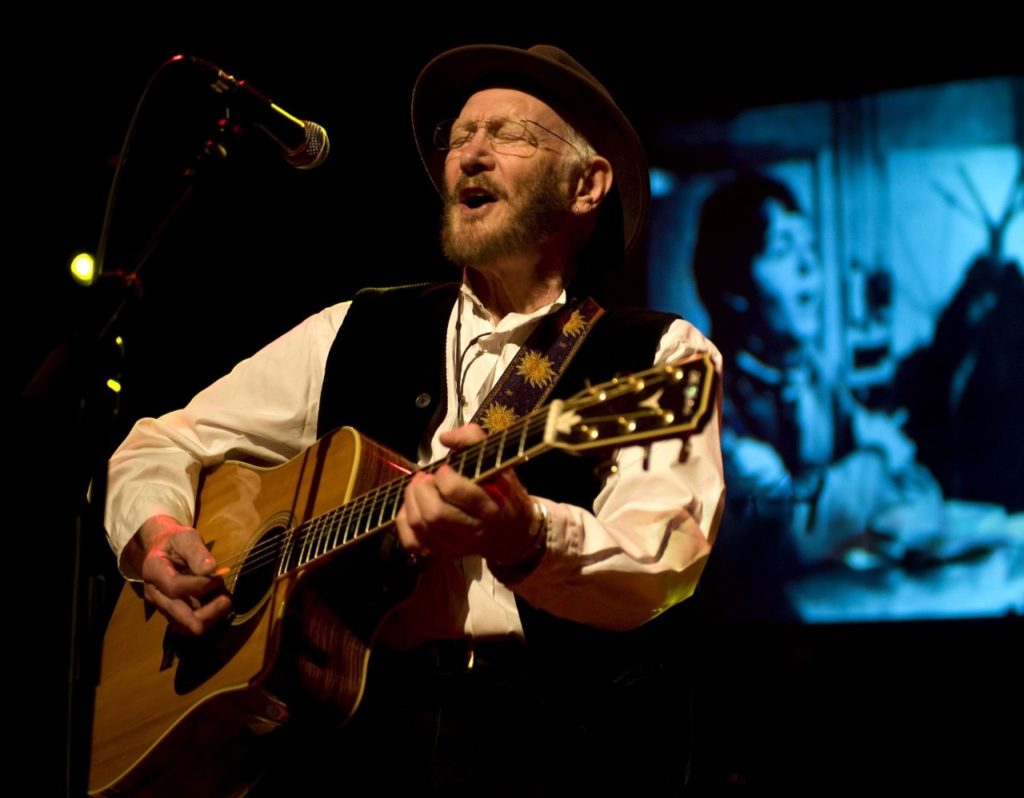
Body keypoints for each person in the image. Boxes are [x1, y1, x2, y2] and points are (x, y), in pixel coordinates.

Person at [103, 44, 725, 795]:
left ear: (586, 184)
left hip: (547, 746)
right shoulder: (355, 327)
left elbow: (659, 563)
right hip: (331, 748)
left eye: (509, 135)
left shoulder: (657, 354)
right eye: (459, 136)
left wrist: (524, 537)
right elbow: (157, 444)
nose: (471, 154)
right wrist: (159, 536)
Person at [691, 172, 940, 620]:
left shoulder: (820, 376)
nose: (811, 268)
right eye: (785, 252)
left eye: (810, 249)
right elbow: (785, 541)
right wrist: (872, 465)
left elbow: (917, 489)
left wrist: (847, 499)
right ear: (732, 289)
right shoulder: (702, 397)